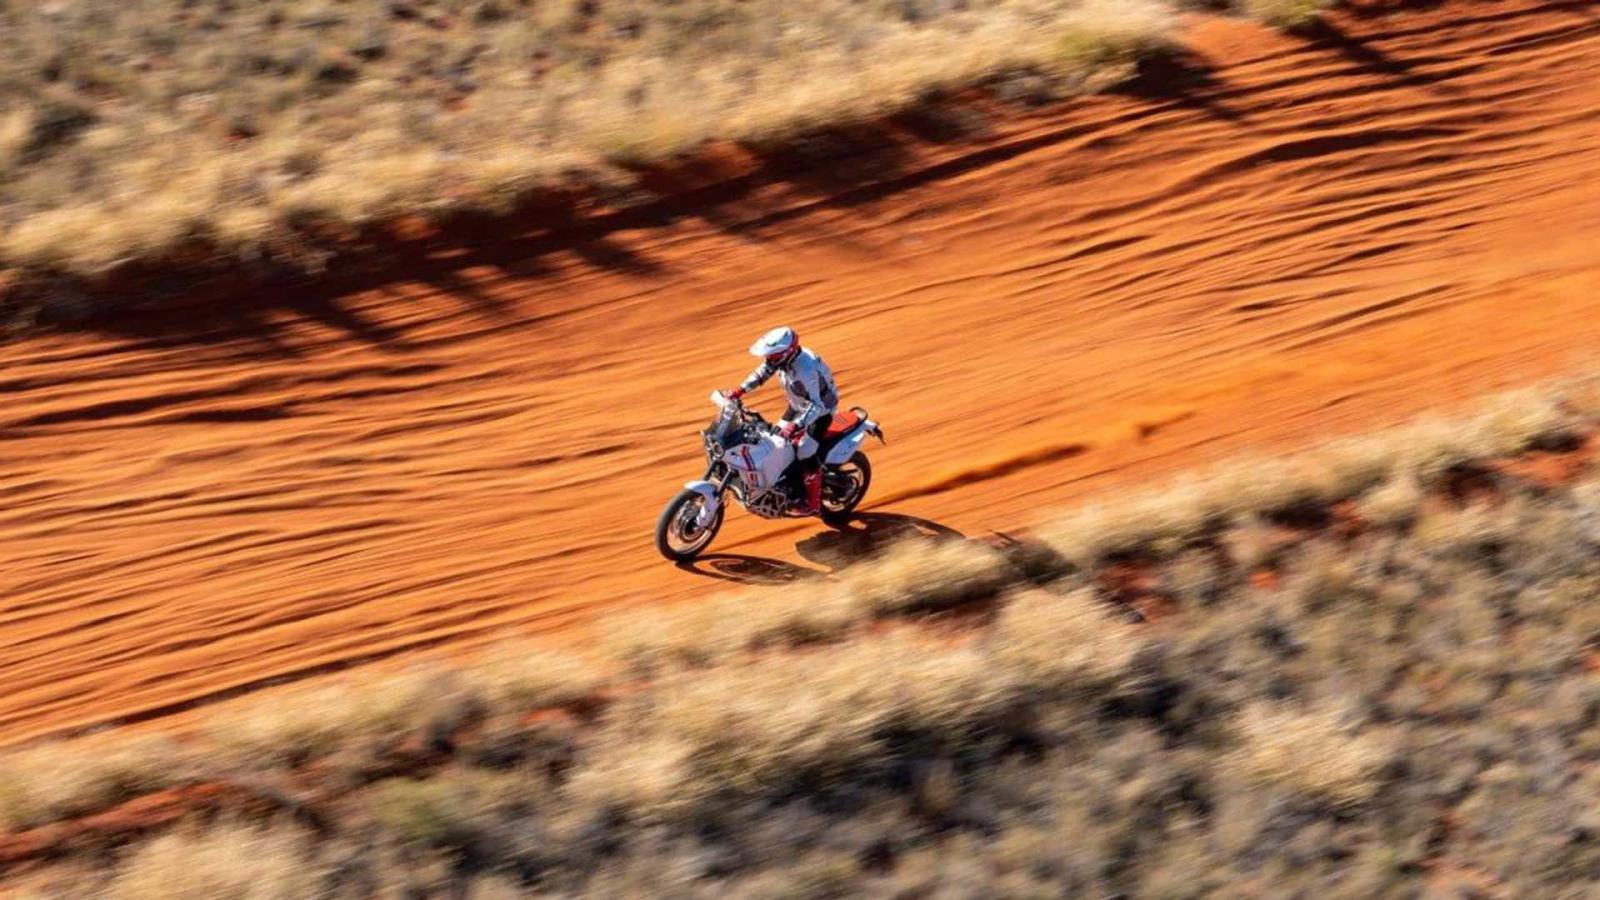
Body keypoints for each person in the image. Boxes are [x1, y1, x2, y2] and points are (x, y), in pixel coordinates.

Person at [727, 326, 838, 515]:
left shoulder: (805, 369)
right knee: (774, 443)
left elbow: (817, 405)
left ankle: (813, 503)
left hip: (821, 412)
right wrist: (740, 390)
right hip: (798, 406)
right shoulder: (783, 361)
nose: (769, 361)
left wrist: (795, 425)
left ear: (786, 353)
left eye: (772, 357)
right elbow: (762, 373)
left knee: (805, 451)